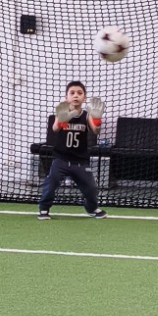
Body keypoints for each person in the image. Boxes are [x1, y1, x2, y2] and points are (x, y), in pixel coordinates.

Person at [38, 78, 105, 218]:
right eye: (72, 93)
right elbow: (55, 128)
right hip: (61, 159)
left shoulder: (86, 115)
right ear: (66, 97)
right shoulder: (62, 111)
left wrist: (97, 120)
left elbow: (96, 131)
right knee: (52, 182)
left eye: (79, 93)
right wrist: (63, 120)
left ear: (84, 97)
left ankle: (91, 208)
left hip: (80, 161)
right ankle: (44, 208)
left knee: (91, 189)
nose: (76, 95)